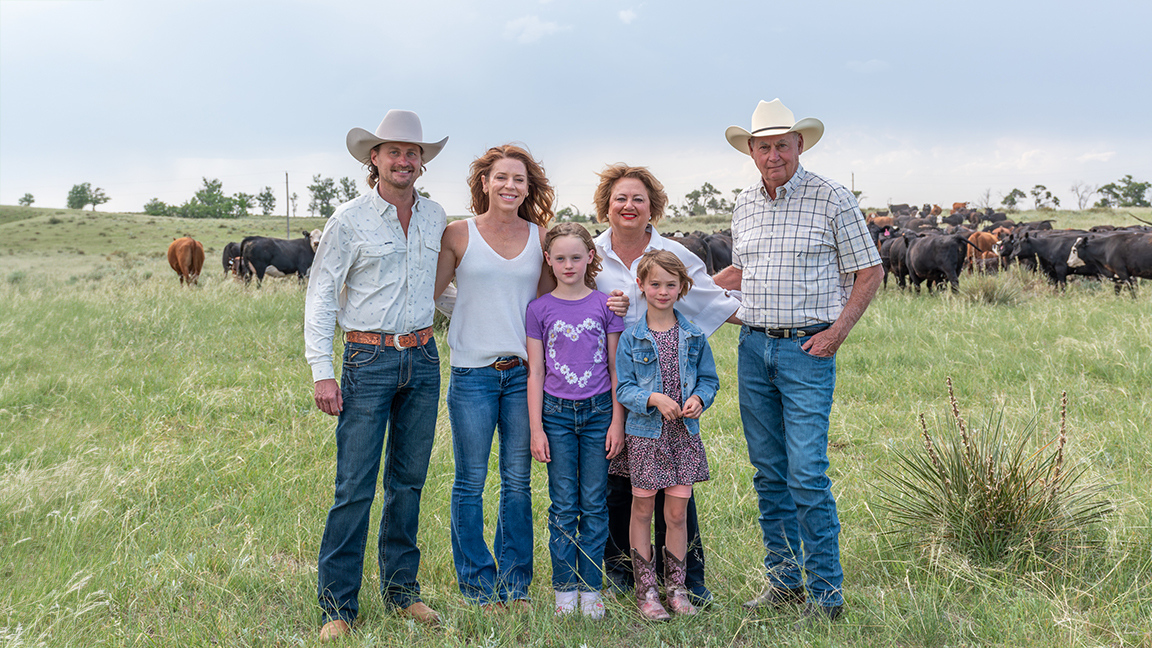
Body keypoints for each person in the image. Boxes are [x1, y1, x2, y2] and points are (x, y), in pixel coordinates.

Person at [713, 99, 883, 622]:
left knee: (806, 473)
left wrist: (836, 333)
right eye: (763, 147)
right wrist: (683, 289)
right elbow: (743, 272)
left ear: (799, 145)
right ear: (750, 151)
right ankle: (785, 582)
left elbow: (870, 270)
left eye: (781, 145)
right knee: (769, 472)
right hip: (753, 347)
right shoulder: (745, 203)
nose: (773, 155)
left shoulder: (832, 197)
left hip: (807, 349)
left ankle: (826, 595)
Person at [304, 109, 449, 641]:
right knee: (355, 485)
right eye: (394, 152)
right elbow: (322, 295)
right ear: (375, 158)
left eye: (412, 152)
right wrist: (322, 371)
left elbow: (439, 290)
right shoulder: (349, 219)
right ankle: (337, 606)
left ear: (421, 162)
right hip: (367, 359)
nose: (404, 160)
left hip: (424, 357)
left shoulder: (435, 217)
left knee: (408, 482)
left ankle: (402, 592)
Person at [591, 164, 740, 606]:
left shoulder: (675, 253)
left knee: (676, 493)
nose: (629, 206)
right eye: (620, 198)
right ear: (606, 205)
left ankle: (685, 580)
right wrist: (604, 305)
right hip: (607, 380)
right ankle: (626, 574)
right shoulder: (592, 254)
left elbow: (710, 300)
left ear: (652, 205)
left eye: (638, 198)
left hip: (671, 391)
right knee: (618, 481)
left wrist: (775, 320)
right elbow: (567, 296)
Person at [434, 144, 554, 610]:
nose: (510, 185)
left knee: (518, 481)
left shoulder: (540, 237)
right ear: (484, 182)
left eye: (519, 179)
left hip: (523, 375)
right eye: (501, 177)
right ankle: (478, 587)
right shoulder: (458, 234)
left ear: (528, 187)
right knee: (470, 481)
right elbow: (434, 292)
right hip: (472, 375)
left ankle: (515, 585)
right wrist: (468, 311)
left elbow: (546, 306)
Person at [526, 223, 626, 619]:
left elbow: (615, 368)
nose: (569, 265)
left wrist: (617, 421)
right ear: (548, 260)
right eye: (560, 258)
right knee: (564, 504)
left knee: (595, 503)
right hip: (556, 416)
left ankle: (591, 589)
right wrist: (536, 429)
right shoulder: (539, 309)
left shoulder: (605, 305)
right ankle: (565, 590)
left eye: (576, 257)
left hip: (600, 412)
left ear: (590, 258)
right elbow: (536, 371)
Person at [612, 250, 719, 621]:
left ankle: (677, 588)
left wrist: (699, 399)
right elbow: (623, 388)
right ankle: (646, 591)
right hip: (646, 438)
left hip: (682, 438)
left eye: (670, 285)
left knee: (676, 513)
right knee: (642, 510)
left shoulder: (694, 336)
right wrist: (653, 398)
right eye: (655, 284)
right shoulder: (632, 338)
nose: (662, 291)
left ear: (682, 288)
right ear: (641, 286)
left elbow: (709, 380)